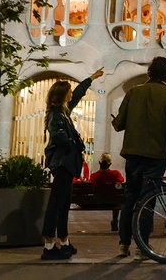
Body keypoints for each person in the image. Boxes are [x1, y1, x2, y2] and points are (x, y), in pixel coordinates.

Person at [111, 56, 166, 260]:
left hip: (132, 153)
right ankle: (142, 246)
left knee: (130, 197)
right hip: (155, 155)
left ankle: (123, 244)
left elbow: (119, 125)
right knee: (148, 200)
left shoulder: (134, 92)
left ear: (150, 71)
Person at [41, 68, 104, 261]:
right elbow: (59, 136)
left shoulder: (63, 111)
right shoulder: (56, 114)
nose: (71, 93)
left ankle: (64, 241)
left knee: (64, 204)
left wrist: (90, 79)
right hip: (63, 164)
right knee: (56, 205)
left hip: (67, 164)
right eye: (68, 91)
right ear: (62, 95)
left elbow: (77, 95)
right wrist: (74, 145)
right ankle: (49, 245)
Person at [89, 153, 125, 232]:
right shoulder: (116, 174)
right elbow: (121, 182)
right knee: (117, 198)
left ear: (99, 163)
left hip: (96, 202)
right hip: (113, 202)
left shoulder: (93, 176)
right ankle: (115, 220)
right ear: (110, 164)